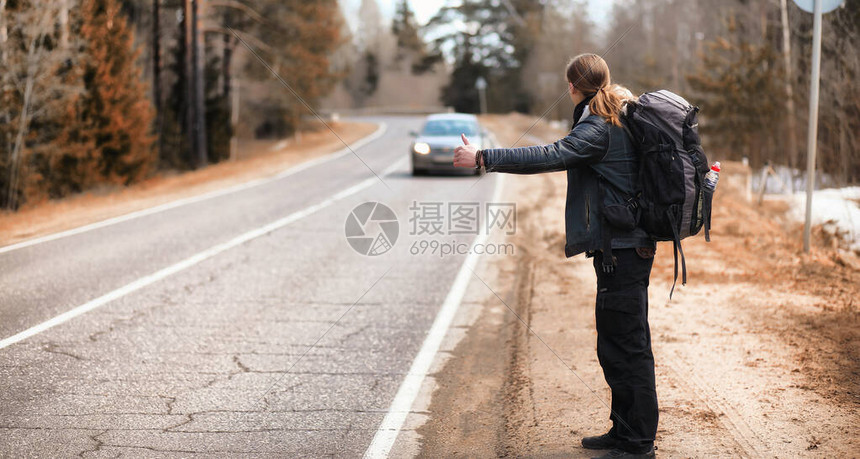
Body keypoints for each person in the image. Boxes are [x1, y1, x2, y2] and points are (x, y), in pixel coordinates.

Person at [453, 53, 658, 459]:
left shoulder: (600, 125)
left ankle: (637, 443)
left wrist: (484, 157)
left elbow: (551, 155)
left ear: (572, 87)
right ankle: (624, 430)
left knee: (628, 346)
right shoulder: (612, 114)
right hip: (620, 247)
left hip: (624, 249)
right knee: (617, 342)